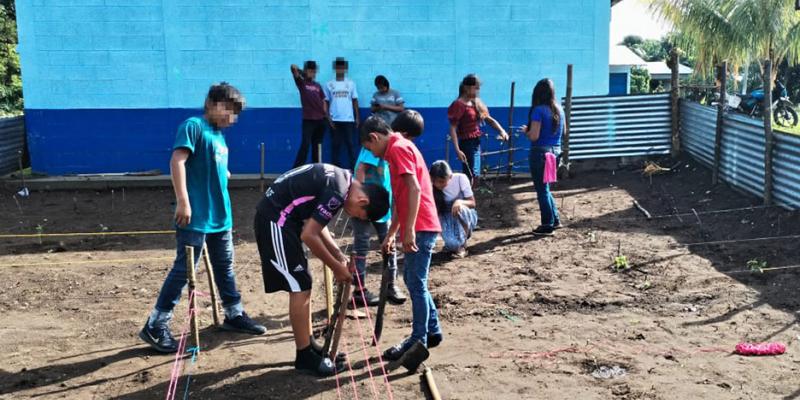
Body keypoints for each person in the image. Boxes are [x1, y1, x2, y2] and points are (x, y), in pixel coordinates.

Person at [139, 83, 266, 353]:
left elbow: (212, 164)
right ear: (211, 103)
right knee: (184, 271)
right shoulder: (193, 126)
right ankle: (156, 325)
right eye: (228, 110)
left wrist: (224, 173)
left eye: (236, 114)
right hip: (195, 217)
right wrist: (184, 202)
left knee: (225, 267)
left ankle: (234, 314)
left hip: (220, 215)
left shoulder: (218, 135)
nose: (232, 118)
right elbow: (178, 161)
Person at [253, 163, 390, 376]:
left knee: (303, 283)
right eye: (360, 216)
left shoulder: (342, 179)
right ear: (363, 201)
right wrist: (336, 268)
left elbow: (316, 222)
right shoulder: (337, 193)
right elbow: (309, 234)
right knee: (299, 285)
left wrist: (338, 255)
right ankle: (304, 355)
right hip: (276, 221)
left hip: (285, 220)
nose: (354, 217)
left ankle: (308, 345)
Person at [360, 115, 444, 361]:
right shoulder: (397, 149)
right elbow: (401, 198)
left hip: (421, 225)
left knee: (415, 282)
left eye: (369, 148)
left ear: (375, 138)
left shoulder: (398, 149)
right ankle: (433, 330)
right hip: (418, 223)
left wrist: (409, 230)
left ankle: (418, 338)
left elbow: (415, 189)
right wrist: (392, 232)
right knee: (413, 279)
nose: (372, 154)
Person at [350, 145, 407, 307]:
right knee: (362, 245)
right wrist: (358, 196)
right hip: (366, 203)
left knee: (389, 243)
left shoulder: (388, 148)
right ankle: (359, 291)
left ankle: (391, 285)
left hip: (381, 204)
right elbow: (361, 169)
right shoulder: (373, 148)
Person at [520, 78, 565, 236]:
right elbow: (562, 133)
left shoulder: (538, 110)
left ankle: (547, 224)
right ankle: (556, 220)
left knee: (541, 190)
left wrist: (526, 131)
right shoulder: (560, 110)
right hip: (555, 152)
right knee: (546, 189)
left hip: (540, 153)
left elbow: (534, 136)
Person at [447, 74, 509, 185]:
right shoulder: (458, 105)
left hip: (476, 143)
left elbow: (489, 120)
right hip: (466, 144)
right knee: (470, 175)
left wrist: (502, 131)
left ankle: (469, 198)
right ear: (467, 88)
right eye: (476, 87)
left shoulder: (475, 103)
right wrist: (457, 149)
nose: (478, 89)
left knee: (475, 175)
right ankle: (467, 199)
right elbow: (453, 128)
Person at [430, 160, 477, 257]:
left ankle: (463, 243)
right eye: (435, 181)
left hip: (464, 215)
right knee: (452, 244)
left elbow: (472, 203)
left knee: (461, 209)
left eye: (442, 182)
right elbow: (436, 212)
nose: (438, 185)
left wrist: (459, 201)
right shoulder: (431, 187)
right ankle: (454, 245)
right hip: (447, 215)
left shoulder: (461, 179)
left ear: (450, 177)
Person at [291, 61, 329, 167]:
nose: (313, 73)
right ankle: (296, 169)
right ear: (306, 70)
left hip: (321, 120)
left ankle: (316, 169)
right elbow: (293, 67)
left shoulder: (317, 85)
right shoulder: (302, 83)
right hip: (308, 120)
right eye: (310, 71)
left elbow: (323, 99)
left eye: (314, 71)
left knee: (317, 146)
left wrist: (325, 113)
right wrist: (303, 73)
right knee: (305, 145)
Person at [324, 57, 359, 169]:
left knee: (350, 145)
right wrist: (328, 118)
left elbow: (354, 100)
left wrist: (357, 117)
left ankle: (353, 168)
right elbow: (326, 102)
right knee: (335, 145)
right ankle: (335, 170)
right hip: (335, 120)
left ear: (345, 69)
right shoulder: (329, 84)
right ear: (335, 68)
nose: (340, 69)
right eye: (338, 67)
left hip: (348, 119)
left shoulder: (351, 84)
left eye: (342, 67)